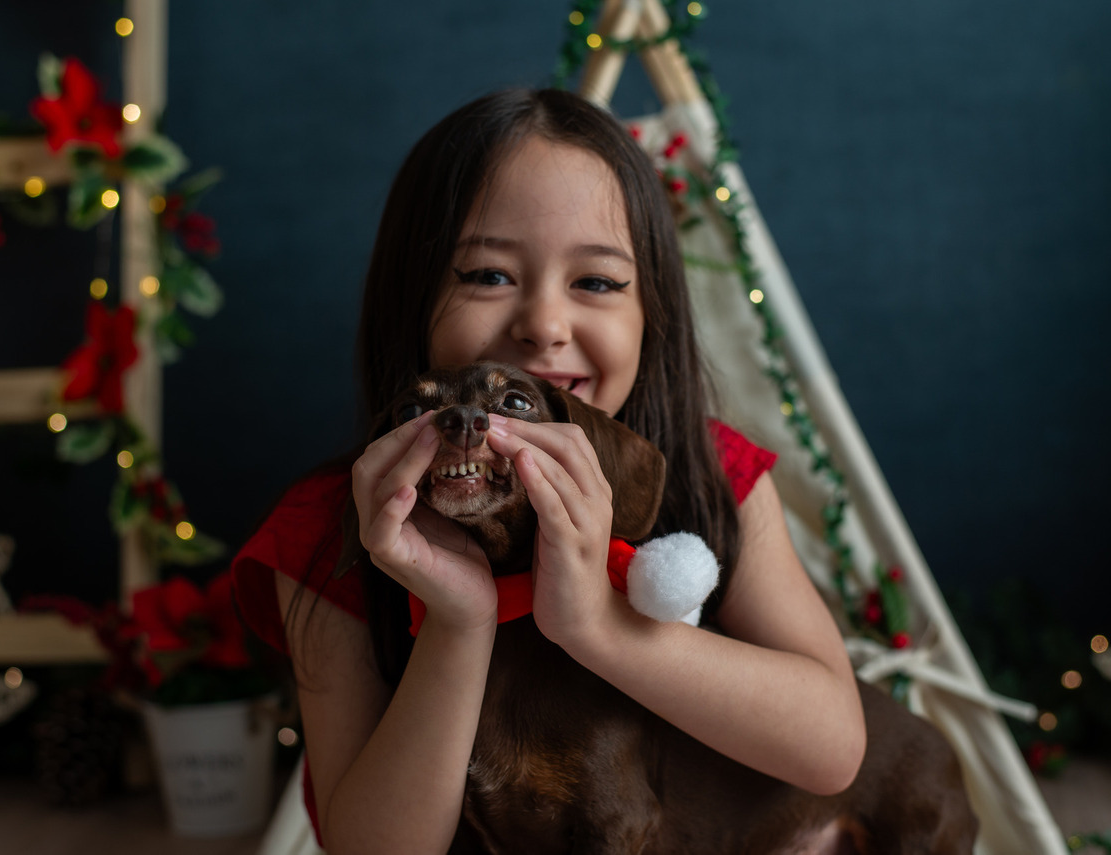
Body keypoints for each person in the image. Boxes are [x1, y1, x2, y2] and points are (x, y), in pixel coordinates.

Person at [231, 88, 865, 854]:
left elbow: (830, 747)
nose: (544, 326)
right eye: (489, 275)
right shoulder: (331, 522)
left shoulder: (710, 469)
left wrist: (598, 625)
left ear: (651, 315)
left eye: (596, 282)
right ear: (413, 300)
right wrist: (458, 621)